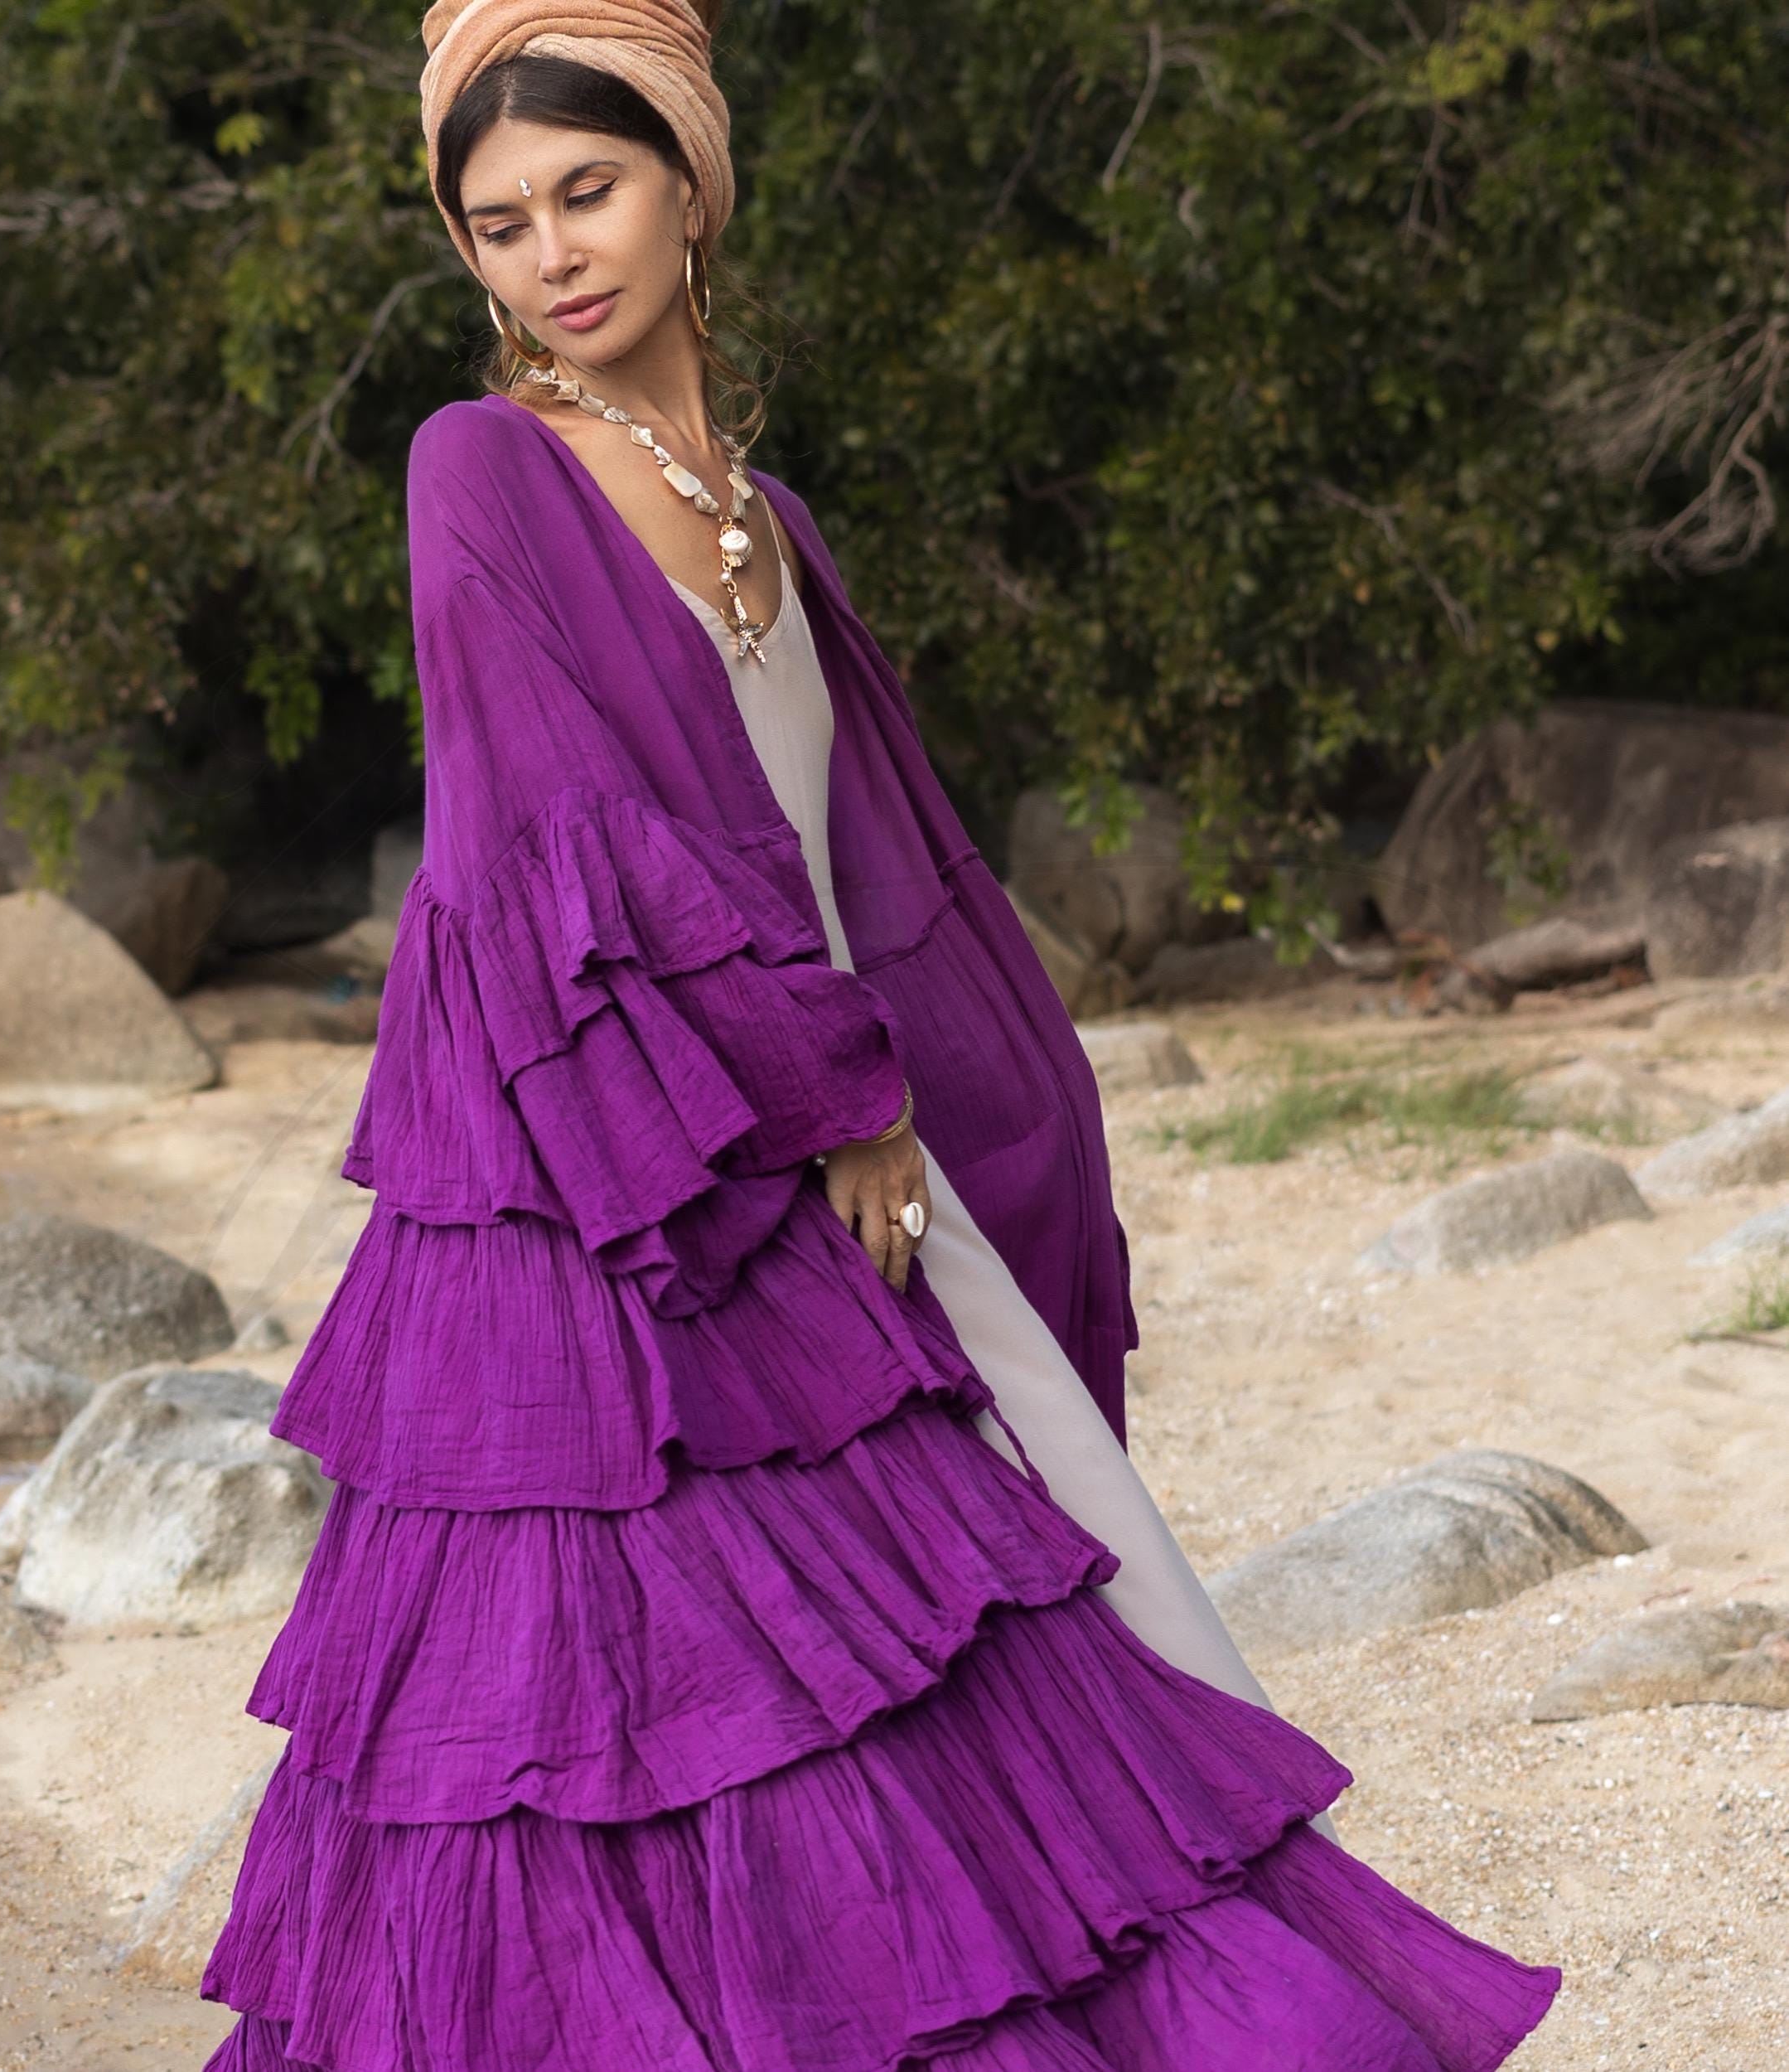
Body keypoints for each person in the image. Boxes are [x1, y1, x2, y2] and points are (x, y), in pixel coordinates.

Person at [197, 4, 1565, 2066]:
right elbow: (560, 831)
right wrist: (830, 1098)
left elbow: (878, 874)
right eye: (498, 223)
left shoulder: (774, 518)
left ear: (686, 184)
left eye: (587, 190)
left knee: (1065, 1656)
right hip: (624, 1186)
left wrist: (949, 1100)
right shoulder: (479, 469)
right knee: (652, 1735)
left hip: (844, 1145)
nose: (552, 253)